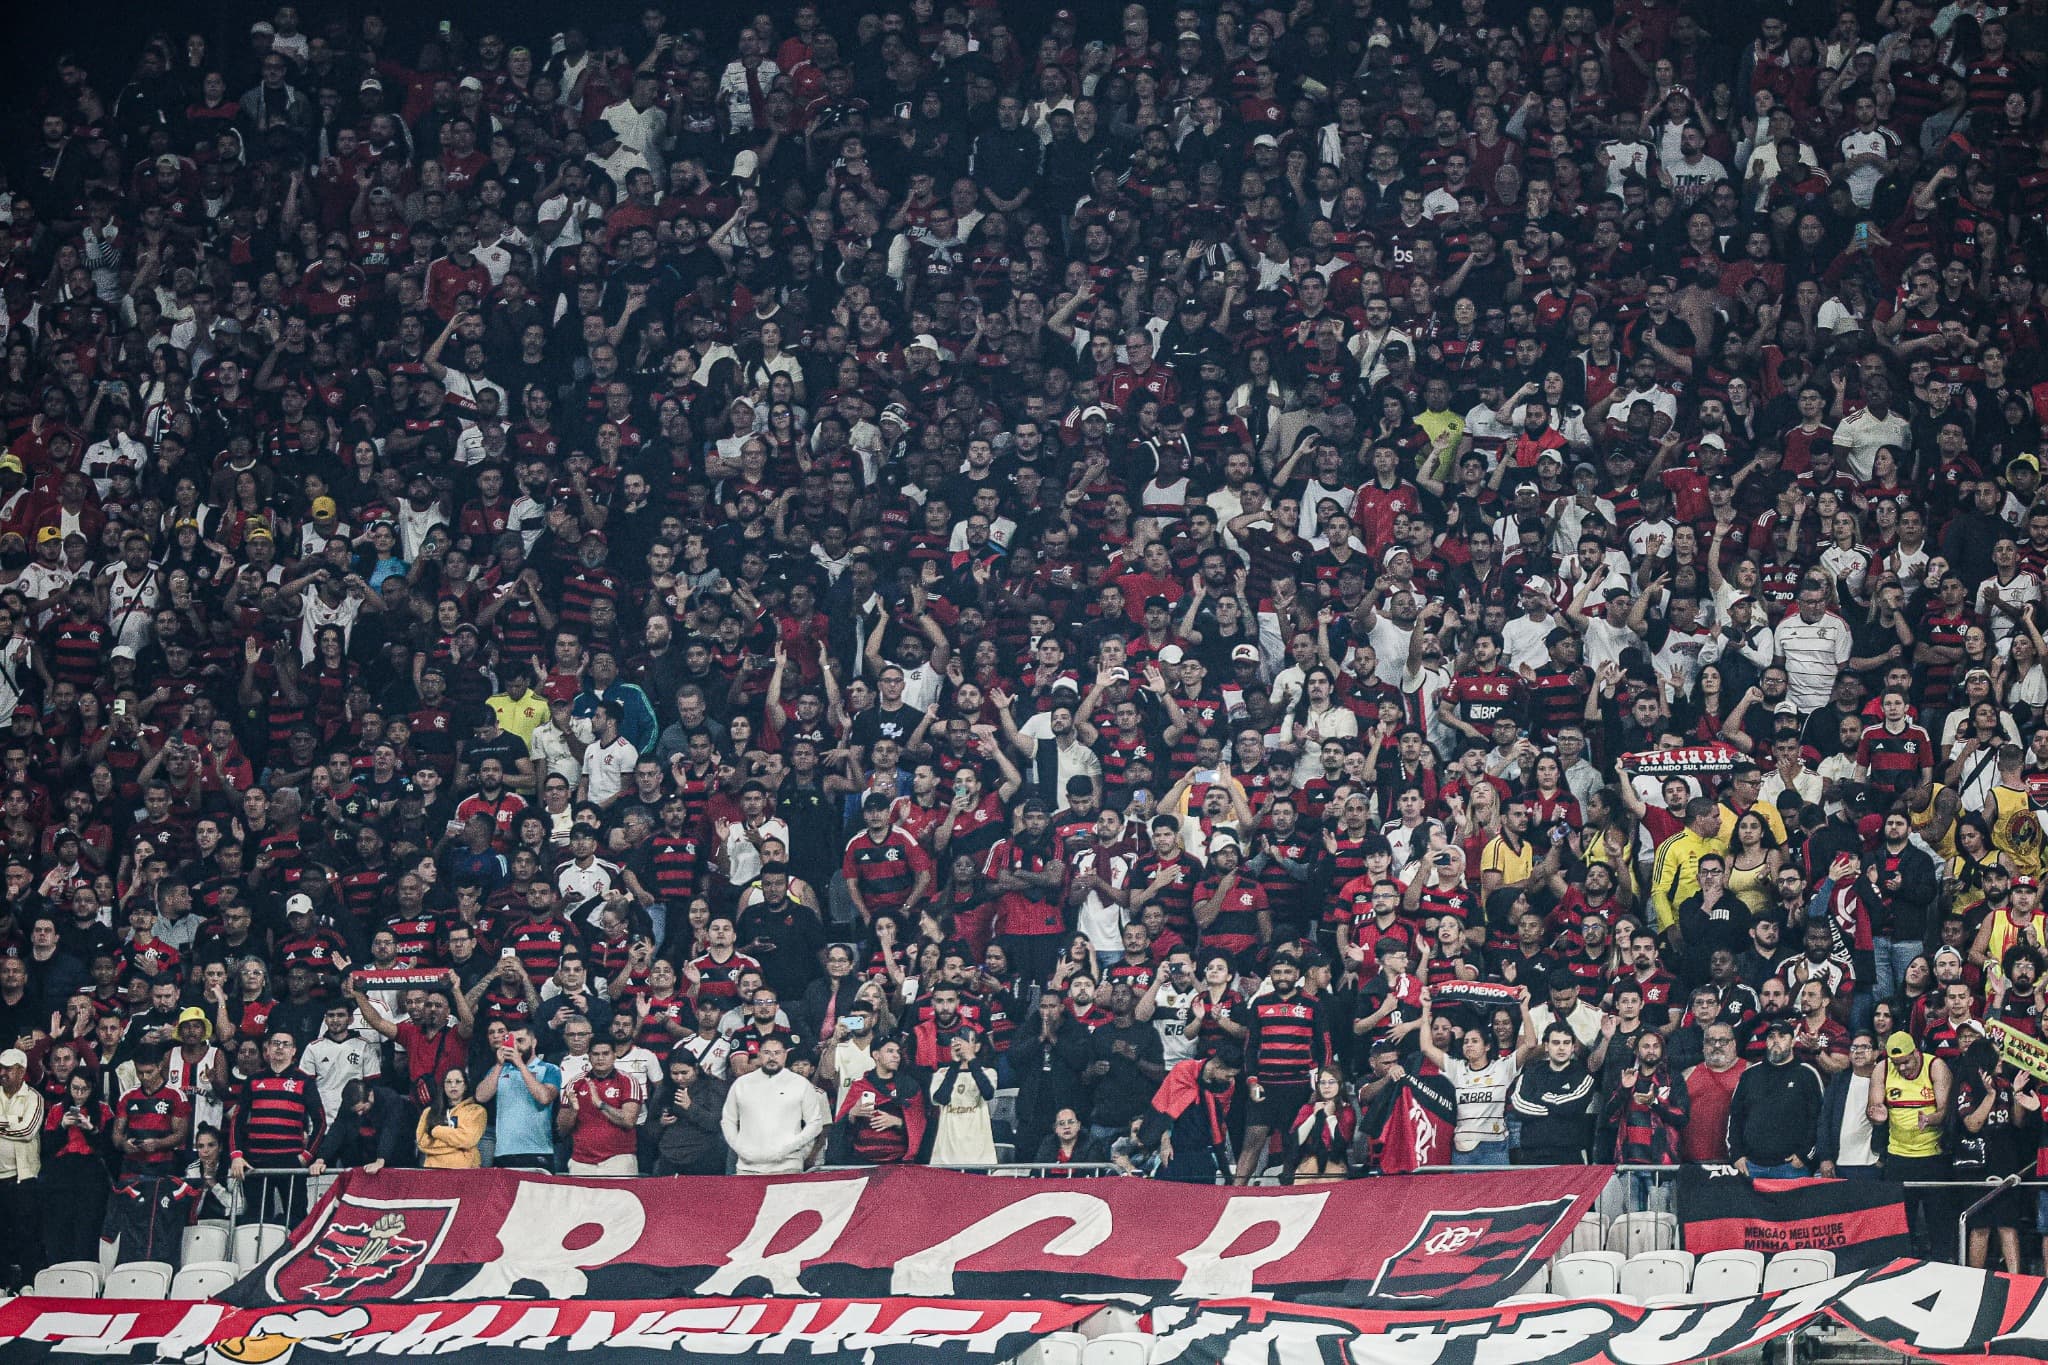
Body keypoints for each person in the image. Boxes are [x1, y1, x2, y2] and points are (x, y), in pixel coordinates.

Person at [1416, 984, 1538, 1165]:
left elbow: (1530, 1044)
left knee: (1496, 1194)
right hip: (1462, 1149)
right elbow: (1426, 1048)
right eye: (1465, 1042)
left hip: (1494, 1147)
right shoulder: (1457, 1069)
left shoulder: (1502, 1068)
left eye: (1474, 1041)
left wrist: (1524, 1009)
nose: (1469, 1045)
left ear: (1487, 1046)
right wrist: (1426, 1010)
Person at [1869, 1032, 1953, 1256]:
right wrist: (1876, 1115)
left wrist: (1930, 1119)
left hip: (1932, 1156)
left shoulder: (1935, 1066)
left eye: (1906, 1061)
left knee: (1939, 1226)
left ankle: (1942, 1270)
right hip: (1898, 1157)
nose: (1903, 1068)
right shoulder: (1883, 1069)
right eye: (1898, 1064)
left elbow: (1945, 1110)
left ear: (1916, 1052)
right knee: (1901, 1228)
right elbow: (1874, 1107)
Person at [1726, 1019, 1824, 1177]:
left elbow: (1819, 1119)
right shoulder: (1750, 1075)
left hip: (1792, 1168)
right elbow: (1735, 1117)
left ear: (1792, 1042)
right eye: (1771, 1037)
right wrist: (1736, 1154)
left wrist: (1805, 1155)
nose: (1776, 1041)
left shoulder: (1807, 1074)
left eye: (1782, 1036)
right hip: (1751, 1166)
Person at [720, 1037, 828, 1173]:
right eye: (767, 1052)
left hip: (788, 1166)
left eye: (777, 1053)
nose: (772, 1057)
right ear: (759, 1055)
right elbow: (728, 1120)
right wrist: (739, 1147)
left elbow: (815, 1123)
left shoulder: (800, 1084)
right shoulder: (742, 1084)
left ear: (785, 1055)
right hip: (748, 1167)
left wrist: (794, 1147)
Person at [476, 1024, 561, 1170]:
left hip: (537, 1151)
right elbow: (481, 1096)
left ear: (534, 1042)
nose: (516, 1047)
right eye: (511, 1042)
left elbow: (544, 1098)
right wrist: (498, 1065)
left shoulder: (549, 1069)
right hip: (504, 1152)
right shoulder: (498, 1069)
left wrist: (520, 1064)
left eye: (520, 1041)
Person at [556, 1039, 642, 1174]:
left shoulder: (628, 1081)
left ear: (614, 1055)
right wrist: (573, 1111)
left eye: (605, 1053)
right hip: (581, 1162)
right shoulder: (575, 1083)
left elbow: (629, 1121)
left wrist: (601, 1104)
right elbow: (562, 1130)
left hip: (619, 1160)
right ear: (589, 1057)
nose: (600, 1058)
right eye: (595, 1054)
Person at [928, 1028, 999, 1165]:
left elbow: (988, 1093)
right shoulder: (941, 1074)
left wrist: (971, 1059)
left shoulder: (989, 1073)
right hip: (946, 1156)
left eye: (968, 1040)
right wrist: (955, 1063)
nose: (962, 1045)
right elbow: (941, 1098)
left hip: (979, 1156)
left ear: (977, 1046)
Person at [651, 1052, 729, 1175]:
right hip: (668, 1156)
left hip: (704, 1157)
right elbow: (649, 1125)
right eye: (675, 1074)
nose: (679, 1078)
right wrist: (661, 1122)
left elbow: (717, 1124)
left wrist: (690, 1107)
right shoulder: (664, 1089)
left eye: (684, 1073)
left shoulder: (713, 1087)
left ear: (696, 1069)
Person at [415, 1067, 488, 1168]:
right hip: (433, 1169)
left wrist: (436, 1131)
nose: (453, 1085)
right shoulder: (429, 1112)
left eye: (458, 1081)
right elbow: (422, 1143)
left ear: (465, 1085)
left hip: (465, 1170)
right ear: (443, 1086)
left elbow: (467, 1140)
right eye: (448, 1082)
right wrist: (458, 1146)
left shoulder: (476, 1111)